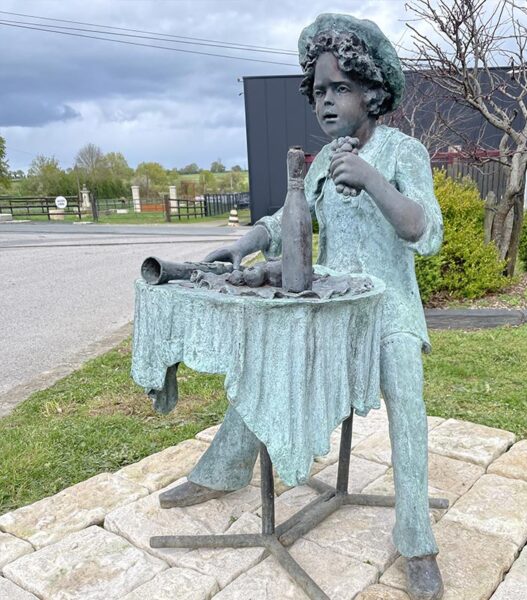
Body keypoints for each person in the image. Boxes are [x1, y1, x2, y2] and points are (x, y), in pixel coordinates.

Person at [160, 13, 444, 600]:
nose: (326, 102)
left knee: (408, 399)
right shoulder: (323, 161)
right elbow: (292, 213)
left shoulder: (401, 151)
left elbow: (426, 231)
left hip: (387, 312)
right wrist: (247, 240)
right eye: (318, 91)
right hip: (329, 310)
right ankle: (222, 471)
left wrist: (372, 179)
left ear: (371, 91)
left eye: (340, 88)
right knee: (267, 365)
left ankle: (415, 537)